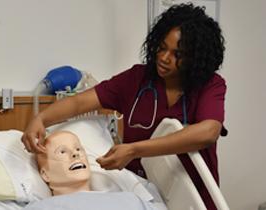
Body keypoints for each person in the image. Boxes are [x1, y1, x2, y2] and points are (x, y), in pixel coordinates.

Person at [22, 3, 226, 210]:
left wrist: (134, 150)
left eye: (177, 54)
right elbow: (79, 102)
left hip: (194, 197)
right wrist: (40, 119)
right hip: (144, 195)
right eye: (162, 48)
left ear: (195, 58)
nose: (164, 58)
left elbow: (208, 132)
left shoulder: (210, 85)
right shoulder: (136, 79)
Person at [29, 130, 163, 210]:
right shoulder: (41, 208)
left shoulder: (132, 200)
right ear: (45, 174)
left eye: (78, 149)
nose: (75, 154)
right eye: (62, 152)